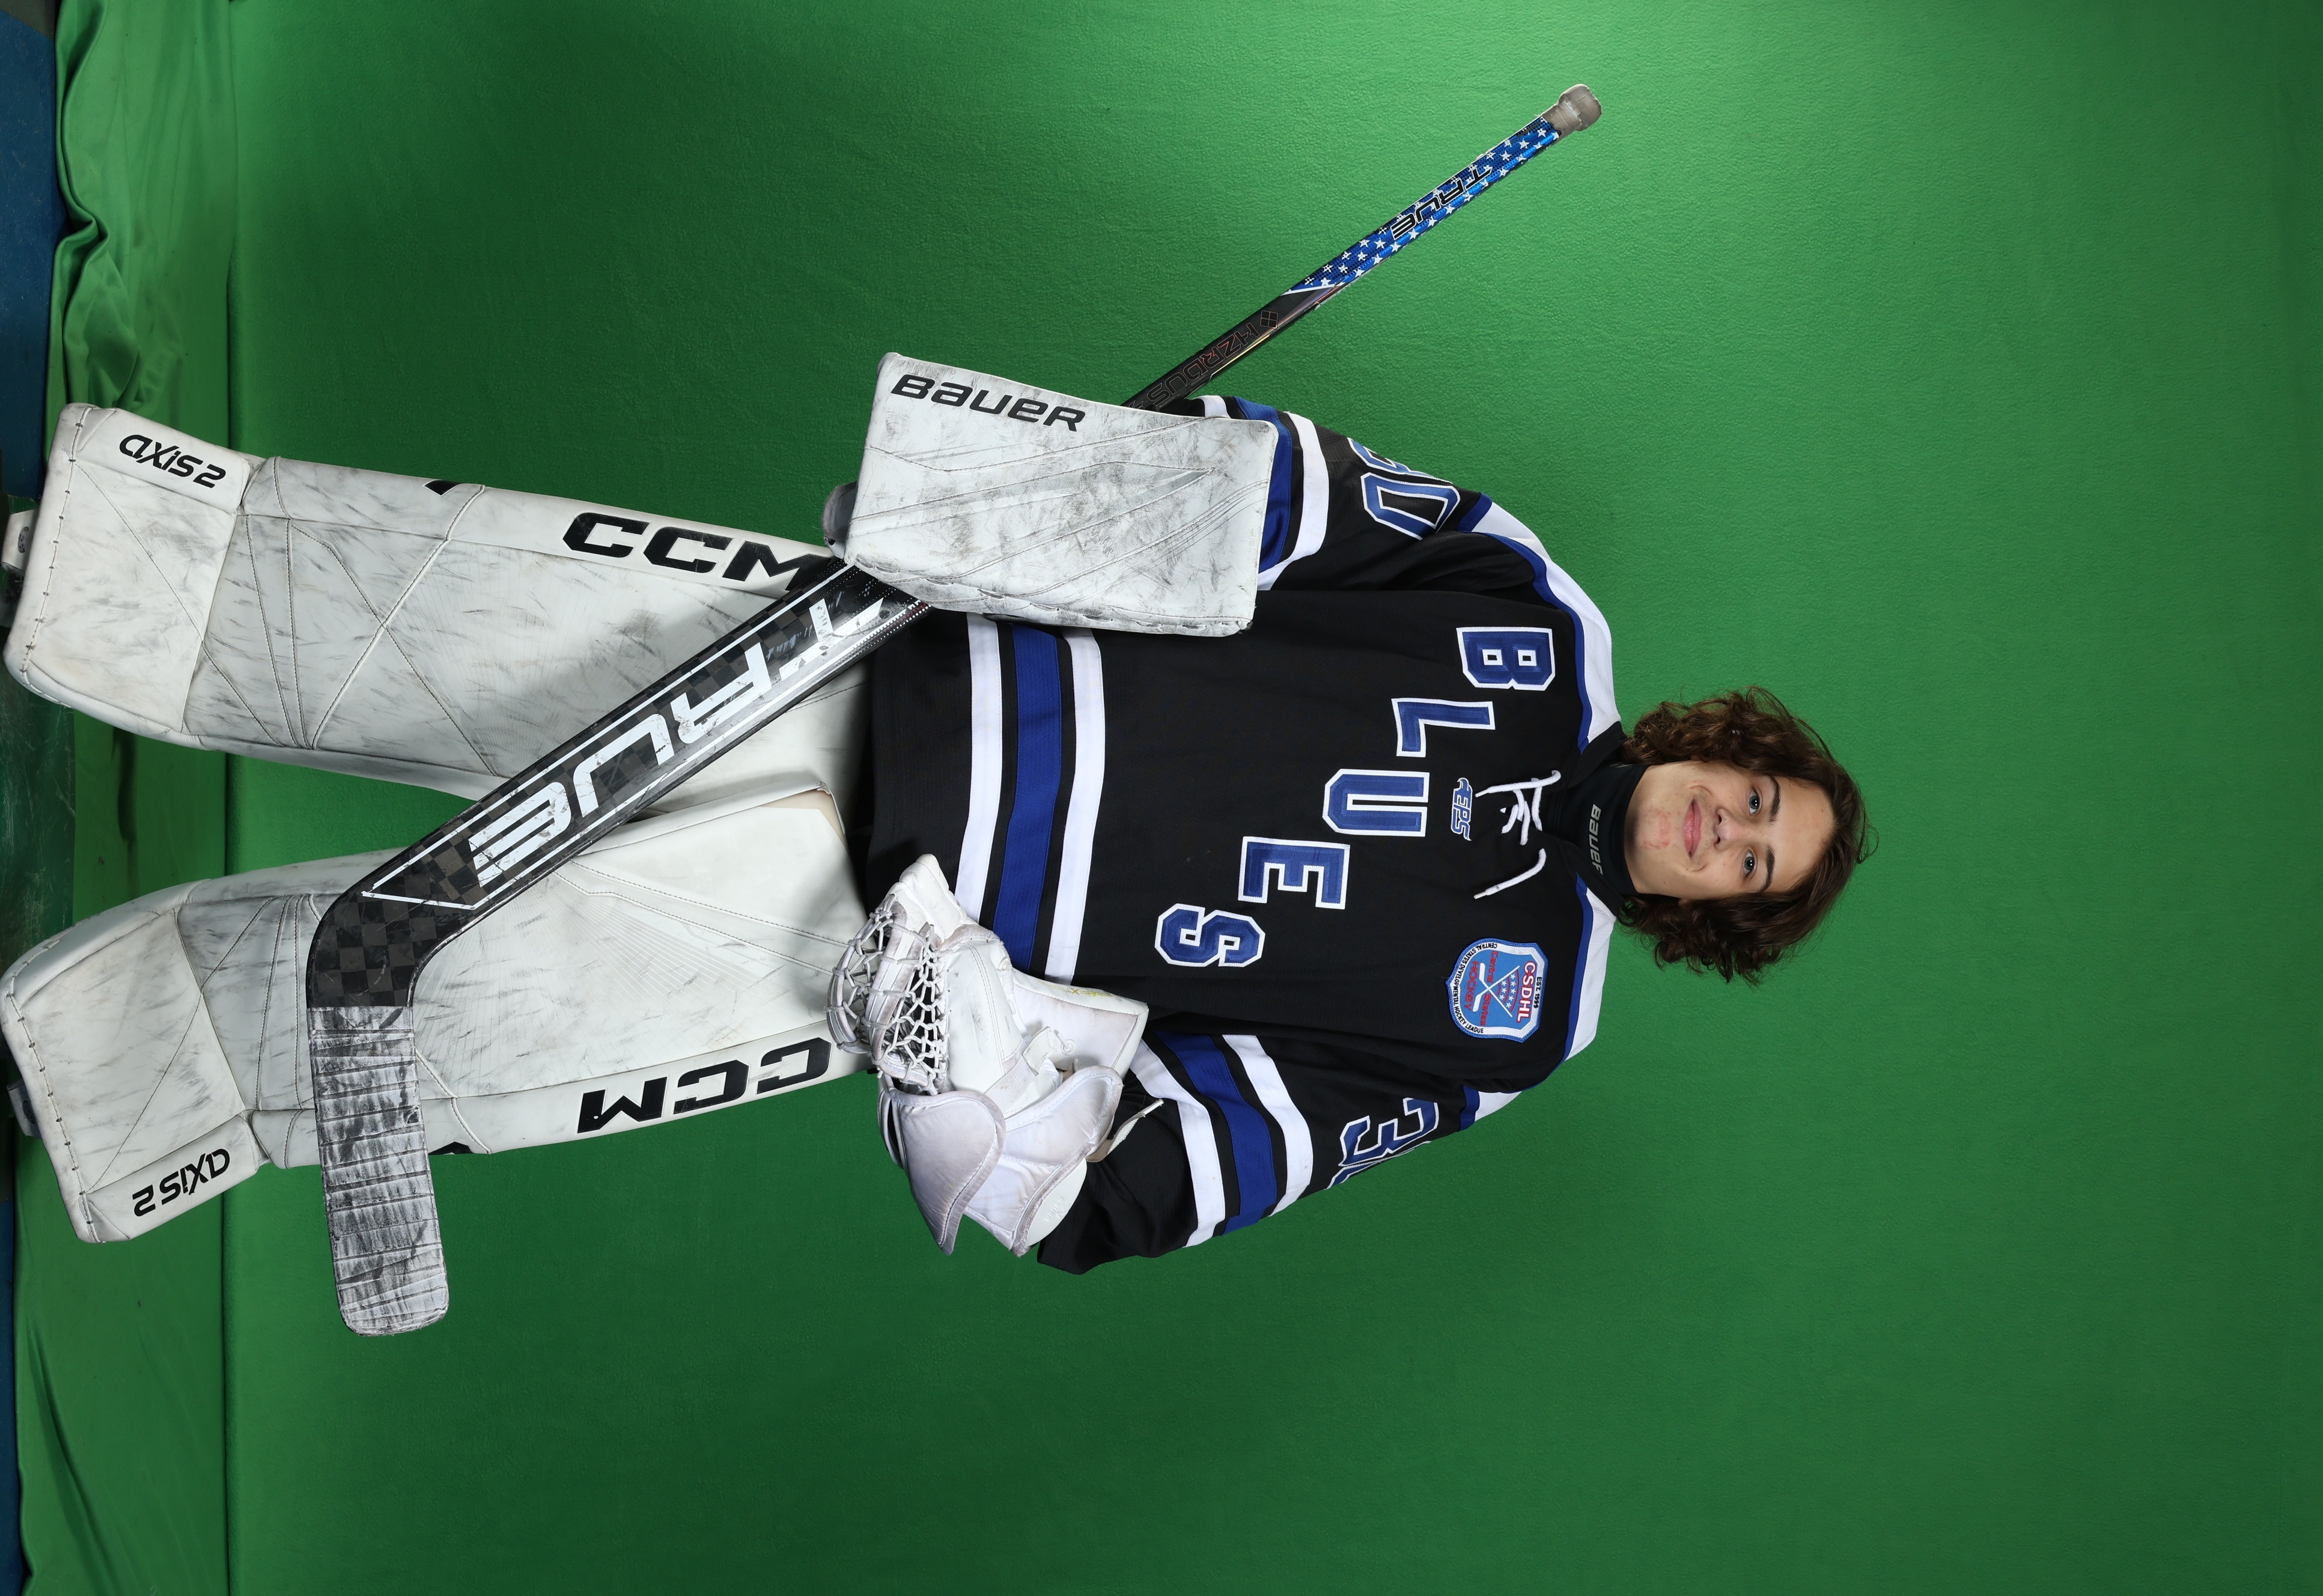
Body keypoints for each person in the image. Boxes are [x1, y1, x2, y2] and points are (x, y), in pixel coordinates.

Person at [0, 358, 1867, 1285]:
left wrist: (1011, 1113)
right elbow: (1282, 494)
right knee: (437, 608)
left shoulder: (1513, 1021)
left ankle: (82, 1082)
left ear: (1719, 920)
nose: (1729, 830)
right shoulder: (1533, 613)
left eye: (1753, 867)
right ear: (1735, 746)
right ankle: (82, 567)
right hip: (876, 658)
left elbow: (1227, 1148)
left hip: (874, 936)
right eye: (1760, 798)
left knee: (450, 1021)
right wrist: (1031, 492)